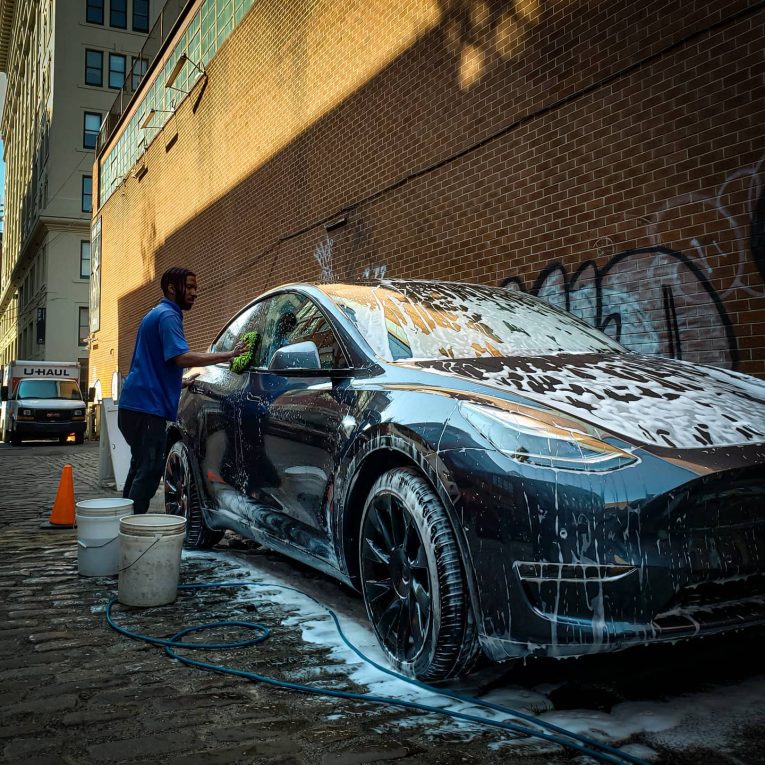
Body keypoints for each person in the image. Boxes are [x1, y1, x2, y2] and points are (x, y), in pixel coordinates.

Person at [117, 267, 248, 514]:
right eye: (189, 287)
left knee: (141, 466)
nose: (195, 293)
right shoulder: (168, 315)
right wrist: (229, 355)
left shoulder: (157, 314)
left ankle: (123, 523)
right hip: (145, 408)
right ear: (171, 288)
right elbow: (180, 357)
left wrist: (178, 383)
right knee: (150, 468)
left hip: (134, 406)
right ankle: (132, 527)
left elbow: (153, 363)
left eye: (195, 287)